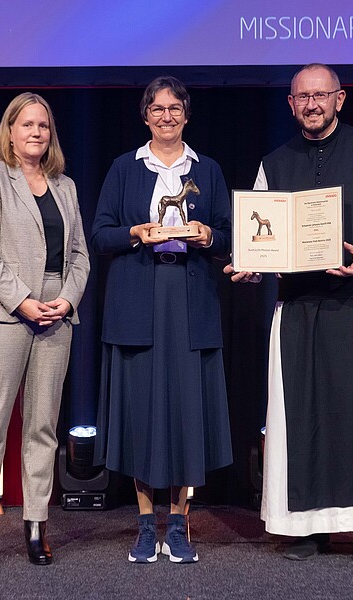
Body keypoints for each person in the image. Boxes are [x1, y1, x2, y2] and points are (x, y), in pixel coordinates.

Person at [227, 63, 353, 563]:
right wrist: (251, 265)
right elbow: (261, 233)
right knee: (302, 422)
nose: (312, 104)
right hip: (298, 310)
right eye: (302, 97)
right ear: (291, 105)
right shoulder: (274, 162)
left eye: (321, 95)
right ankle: (308, 528)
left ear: (340, 99)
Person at [92, 76, 233, 564]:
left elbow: (232, 241)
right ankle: (143, 525)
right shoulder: (124, 169)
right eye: (158, 108)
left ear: (186, 115)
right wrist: (135, 232)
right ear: (145, 114)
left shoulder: (207, 170)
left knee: (184, 415)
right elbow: (100, 234)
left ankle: (178, 524)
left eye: (175, 108)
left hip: (189, 303)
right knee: (141, 414)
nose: (167, 116)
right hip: (137, 302)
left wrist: (208, 235)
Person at [0, 92, 90, 568]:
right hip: (0, 312)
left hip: (55, 314)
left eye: (44, 126)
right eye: (27, 125)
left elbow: (78, 256)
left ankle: (36, 524)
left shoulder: (66, 186)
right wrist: (22, 301)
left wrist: (66, 299)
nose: (36, 133)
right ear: (10, 131)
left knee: (43, 427)